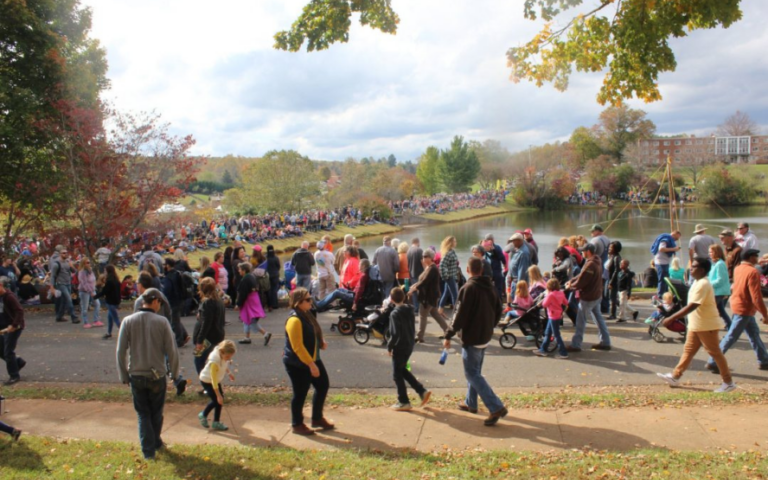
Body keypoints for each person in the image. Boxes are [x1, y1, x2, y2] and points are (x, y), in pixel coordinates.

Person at [116, 288, 180, 460]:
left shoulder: (128, 321)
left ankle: (150, 448)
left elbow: (120, 351)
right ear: (155, 302)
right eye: (159, 302)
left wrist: (123, 374)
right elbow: (172, 351)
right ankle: (152, 446)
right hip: (157, 375)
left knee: (143, 413)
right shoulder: (162, 322)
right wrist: (174, 373)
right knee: (156, 412)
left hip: (136, 375)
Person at [443, 257, 507, 426]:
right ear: (482, 270)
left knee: (471, 373)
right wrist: (490, 326)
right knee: (475, 371)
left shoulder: (468, 288)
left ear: (468, 269)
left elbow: (458, 315)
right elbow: (499, 309)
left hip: (472, 338)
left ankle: (496, 406)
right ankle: (471, 402)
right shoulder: (491, 287)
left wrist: (448, 334)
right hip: (485, 336)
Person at [656, 258, 735, 393]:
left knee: (715, 353)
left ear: (702, 270)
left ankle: (728, 383)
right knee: (688, 351)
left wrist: (671, 318)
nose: (690, 269)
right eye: (691, 266)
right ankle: (675, 376)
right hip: (696, 324)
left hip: (706, 325)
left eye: (694, 267)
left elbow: (692, 305)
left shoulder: (703, 284)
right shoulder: (697, 282)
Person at [705, 249, 768, 373]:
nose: (758, 258)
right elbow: (756, 296)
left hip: (738, 304)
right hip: (744, 308)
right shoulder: (753, 271)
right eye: (756, 256)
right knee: (731, 336)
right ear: (751, 258)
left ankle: (764, 360)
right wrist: (765, 315)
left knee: (754, 334)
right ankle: (713, 361)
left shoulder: (738, 268)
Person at [283, 288, 334, 436]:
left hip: (312, 358)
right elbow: (297, 347)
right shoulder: (294, 320)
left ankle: (317, 418)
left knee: (323, 385)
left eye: (311, 298)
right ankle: (297, 424)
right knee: (300, 393)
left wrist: (321, 342)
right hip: (297, 362)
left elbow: (313, 332)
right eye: (308, 299)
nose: (311, 301)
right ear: (298, 302)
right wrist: (311, 365)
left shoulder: (307, 314)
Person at [133, 272, 188, 396]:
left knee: (153, 361)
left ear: (141, 284)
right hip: (162, 331)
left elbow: (136, 321)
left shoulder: (140, 301)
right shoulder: (160, 295)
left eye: (137, 283)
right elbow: (169, 312)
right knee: (167, 357)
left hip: (148, 336)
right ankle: (177, 379)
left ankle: (158, 384)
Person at [387, 287, 431, 411]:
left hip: (400, 346)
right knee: (402, 370)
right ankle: (421, 391)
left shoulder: (395, 314)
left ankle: (403, 401)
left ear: (391, 299)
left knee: (397, 374)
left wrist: (389, 346)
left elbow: (394, 334)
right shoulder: (410, 310)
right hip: (409, 344)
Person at [566, 243, 612, 352]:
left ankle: (576, 344)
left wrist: (571, 286)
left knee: (580, 321)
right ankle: (605, 342)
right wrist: (572, 280)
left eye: (583, 251)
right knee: (598, 319)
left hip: (589, 297)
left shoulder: (590, 264)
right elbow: (582, 274)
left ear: (588, 251)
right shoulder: (596, 260)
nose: (581, 253)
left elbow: (582, 281)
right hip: (596, 295)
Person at [408, 249, 449, 343]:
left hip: (429, 297)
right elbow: (421, 280)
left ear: (431, 258)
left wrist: (414, 289)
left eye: (425, 256)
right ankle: (448, 331)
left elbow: (425, 281)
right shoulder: (428, 267)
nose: (423, 258)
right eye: (423, 256)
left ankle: (419, 337)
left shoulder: (433, 269)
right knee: (435, 314)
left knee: (422, 316)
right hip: (430, 296)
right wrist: (414, 286)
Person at [198, 340, 236, 431]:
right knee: (217, 400)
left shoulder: (223, 355)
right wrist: (218, 395)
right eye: (227, 356)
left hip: (215, 380)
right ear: (222, 352)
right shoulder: (214, 361)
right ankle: (203, 414)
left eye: (230, 357)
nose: (228, 358)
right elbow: (213, 380)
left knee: (220, 401)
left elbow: (224, 363)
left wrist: (229, 373)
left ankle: (216, 422)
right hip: (207, 380)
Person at [193, 278, 226, 379]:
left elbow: (206, 324)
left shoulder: (207, 303)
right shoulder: (219, 300)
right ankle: (211, 382)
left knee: (198, 359)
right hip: (217, 335)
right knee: (210, 360)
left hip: (208, 337)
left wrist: (200, 341)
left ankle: (205, 383)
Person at [235, 263, 271, 346]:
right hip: (254, 299)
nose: (239, 271)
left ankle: (265, 334)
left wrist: (238, 304)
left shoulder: (245, 279)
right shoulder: (251, 276)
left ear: (244, 270)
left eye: (240, 269)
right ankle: (247, 337)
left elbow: (243, 294)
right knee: (247, 319)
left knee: (251, 321)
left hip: (249, 302)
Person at [533, 278, 569, 358]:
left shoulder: (550, 295)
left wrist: (546, 297)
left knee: (556, 335)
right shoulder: (561, 293)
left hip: (552, 316)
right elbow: (566, 302)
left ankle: (563, 352)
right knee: (548, 333)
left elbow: (544, 304)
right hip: (557, 315)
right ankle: (543, 349)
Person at [0, 277, 26, 385]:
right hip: (3, 327)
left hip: (14, 327)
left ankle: (14, 375)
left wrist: (14, 325)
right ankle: (18, 362)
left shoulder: (9, 297)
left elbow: (19, 311)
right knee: (1, 350)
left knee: (8, 351)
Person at [161, 258, 190, 348]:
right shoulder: (177, 273)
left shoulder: (169, 277)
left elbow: (167, 290)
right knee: (176, 319)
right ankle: (184, 335)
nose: (164, 266)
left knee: (174, 321)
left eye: (165, 265)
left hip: (173, 301)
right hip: (180, 299)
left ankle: (179, 340)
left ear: (168, 265)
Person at [49, 245, 80, 324]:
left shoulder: (67, 262)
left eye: (66, 253)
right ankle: (74, 317)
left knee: (64, 300)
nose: (65, 254)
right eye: (63, 253)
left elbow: (75, 272)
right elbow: (52, 276)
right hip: (60, 284)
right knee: (69, 299)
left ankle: (59, 316)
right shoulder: (56, 264)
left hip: (68, 283)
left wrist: (71, 265)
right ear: (60, 254)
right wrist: (52, 287)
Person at [652, 230, 682, 299]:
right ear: (675, 234)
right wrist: (674, 249)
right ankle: (660, 296)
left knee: (666, 279)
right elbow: (661, 249)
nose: (677, 240)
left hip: (665, 262)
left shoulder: (669, 239)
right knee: (662, 279)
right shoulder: (666, 239)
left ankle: (665, 294)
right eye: (677, 238)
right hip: (660, 262)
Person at [708, 244, 732, 330]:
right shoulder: (715, 264)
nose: (709, 254)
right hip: (717, 291)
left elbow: (720, 280)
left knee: (711, 311)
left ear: (716, 252)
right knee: (721, 310)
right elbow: (711, 277)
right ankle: (730, 327)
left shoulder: (720, 264)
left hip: (719, 292)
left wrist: (708, 285)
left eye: (710, 252)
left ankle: (711, 329)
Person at [96, 265, 122, 340]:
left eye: (105, 271)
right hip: (115, 301)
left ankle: (125, 333)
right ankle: (109, 333)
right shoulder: (116, 280)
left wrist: (95, 297)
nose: (104, 272)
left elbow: (104, 292)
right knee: (110, 318)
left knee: (115, 318)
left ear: (108, 271)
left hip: (111, 302)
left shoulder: (110, 281)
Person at [78, 258, 103, 328]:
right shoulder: (82, 272)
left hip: (92, 290)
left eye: (89, 262)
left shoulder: (90, 271)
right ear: (83, 264)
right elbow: (84, 283)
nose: (89, 264)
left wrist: (94, 288)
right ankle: (85, 322)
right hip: (84, 291)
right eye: (87, 263)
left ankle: (96, 320)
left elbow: (93, 280)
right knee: (85, 307)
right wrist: (90, 291)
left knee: (97, 304)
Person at [438, 236, 459, 314]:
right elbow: (442, 265)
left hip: (452, 275)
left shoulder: (451, 251)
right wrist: (446, 276)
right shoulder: (449, 253)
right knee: (455, 295)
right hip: (450, 277)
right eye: (454, 241)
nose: (456, 243)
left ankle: (440, 309)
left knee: (446, 293)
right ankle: (456, 312)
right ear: (451, 243)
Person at [482, 234, 507, 301]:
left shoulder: (496, 248)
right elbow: (502, 258)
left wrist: (505, 266)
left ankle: (498, 301)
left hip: (495, 270)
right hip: (491, 270)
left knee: (497, 287)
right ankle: (494, 301)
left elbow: (502, 258)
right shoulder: (486, 248)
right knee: (492, 287)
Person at [605, 241, 622, 320]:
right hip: (609, 278)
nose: (609, 249)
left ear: (615, 249)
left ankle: (613, 314)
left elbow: (616, 270)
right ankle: (626, 308)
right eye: (609, 247)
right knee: (608, 295)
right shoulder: (611, 256)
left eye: (611, 248)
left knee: (612, 297)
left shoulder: (617, 258)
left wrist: (611, 282)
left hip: (613, 280)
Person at [407, 238, 424, 313]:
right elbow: (422, 262)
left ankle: (416, 308)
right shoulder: (419, 250)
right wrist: (426, 270)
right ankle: (422, 308)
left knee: (414, 291)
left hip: (412, 273)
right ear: (417, 242)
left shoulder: (408, 251)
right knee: (421, 291)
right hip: (420, 273)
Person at [266, 245, 281, 311]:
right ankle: (275, 304)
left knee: (269, 289)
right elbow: (278, 266)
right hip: (275, 275)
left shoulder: (266, 258)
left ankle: (270, 304)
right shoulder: (275, 257)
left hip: (268, 275)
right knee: (274, 290)